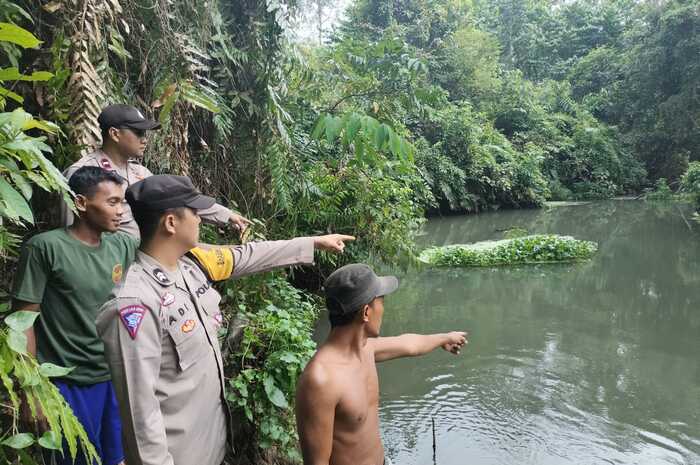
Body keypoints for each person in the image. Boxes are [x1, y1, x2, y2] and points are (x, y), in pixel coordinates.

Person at [95, 174, 355, 465]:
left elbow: (245, 255)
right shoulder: (134, 304)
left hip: (213, 448)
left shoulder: (191, 266)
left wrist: (311, 243)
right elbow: (140, 414)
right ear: (171, 223)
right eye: (194, 212)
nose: (200, 219)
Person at [12, 166, 139, 465]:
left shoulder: (121, 245)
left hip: (112, 378)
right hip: (65, 383)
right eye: (112, 202)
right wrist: (31, 391)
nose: (120, 211)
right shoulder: (45, 248)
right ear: (81, 203)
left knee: (118, 458)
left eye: (122, 202)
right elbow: (22, 322)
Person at [295, 264, 468, 465]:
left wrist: (445, 337)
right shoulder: (321, 380)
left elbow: (409, 344)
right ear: (366, 312)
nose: (384, 309)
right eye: (382, 302)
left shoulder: (366, 348)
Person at [59, 103, 249, 237]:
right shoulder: (82, 173)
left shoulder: (141, 173)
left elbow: (178, 201)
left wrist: (227, 215)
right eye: (139, 132)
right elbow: (71, 234)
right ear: (115, 134)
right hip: (107, 266)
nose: (145, 139)